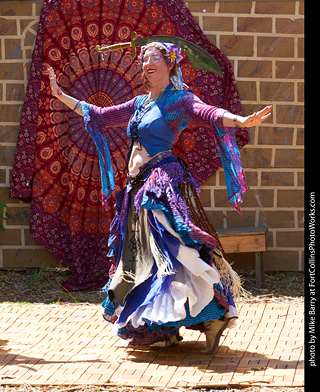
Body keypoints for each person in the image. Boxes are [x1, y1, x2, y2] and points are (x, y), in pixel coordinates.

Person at [48, 41, 271, 354]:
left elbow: (207, 113)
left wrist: (240, 120)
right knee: (146, 259)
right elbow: (98, 115)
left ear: (170, 65)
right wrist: (61, 95)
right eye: (144, 59)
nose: (147, 63)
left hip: (159, 182)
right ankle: (167, 328)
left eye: (154, 58)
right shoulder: (140, 103)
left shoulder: (178, 100)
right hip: (137, 187)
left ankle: (213, 316)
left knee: (172, 251)